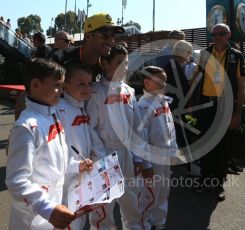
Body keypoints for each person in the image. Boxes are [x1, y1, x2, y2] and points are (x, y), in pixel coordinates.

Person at [87, 45, 153, 230]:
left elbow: (137, 128)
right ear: (105, 63)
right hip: (105, 156)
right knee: (103, 210)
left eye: (126, 63)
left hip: (128, 156)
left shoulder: (129, 91)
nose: (125, 67)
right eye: (119, 63)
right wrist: (103, 160)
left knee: (132, 205)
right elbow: (90, 129)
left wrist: (141, 159)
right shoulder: (94, 92)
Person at [5, 58, 75, 229]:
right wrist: (47, 208)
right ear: (35, 85)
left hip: (52, 206)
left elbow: (55, 160)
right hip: (32, 219)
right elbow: (16, 181)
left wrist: (77, 166)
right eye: (57, 85)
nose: (61, 91)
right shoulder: (26, 127)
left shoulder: (52, 114)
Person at [192, 23, 245, 201]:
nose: (216, 37)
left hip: (225, 106)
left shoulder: (236, 56)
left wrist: (237, 113)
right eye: (213, 34)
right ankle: (204, 178)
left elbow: (241, 88)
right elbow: (195, 80)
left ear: (228, 34)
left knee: (222, 146)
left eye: (221, 34)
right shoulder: (204, 54)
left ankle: (218, 183)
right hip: (205, 106)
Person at [137, 66, 178, 230]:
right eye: (159, 80)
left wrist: (173, 151)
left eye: (165, 80)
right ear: (147, 83)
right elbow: (141, 140)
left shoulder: (164, 102)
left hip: (165, 157)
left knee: (162, 192)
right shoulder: (143, 106)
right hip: (152, 160)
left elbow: (171, 129)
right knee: (148, 195)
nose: (164, 84)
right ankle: (144, 225)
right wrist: (145, 164)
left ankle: (158, 223)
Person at [56, 63, 94, 229]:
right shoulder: (58, 110)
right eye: (81, 83)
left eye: (89, 83)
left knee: (80, 221)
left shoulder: (81, 107)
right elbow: (53, 153)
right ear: (65, 86)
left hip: (82, 175)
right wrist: (75, 166)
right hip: (65, 181)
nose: (87, 88)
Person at [52, 13, 125, 82]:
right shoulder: (60, 59)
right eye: (105, 36)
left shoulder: (109, 64)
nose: (110, 41)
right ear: (88, 36)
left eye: (113, 36)